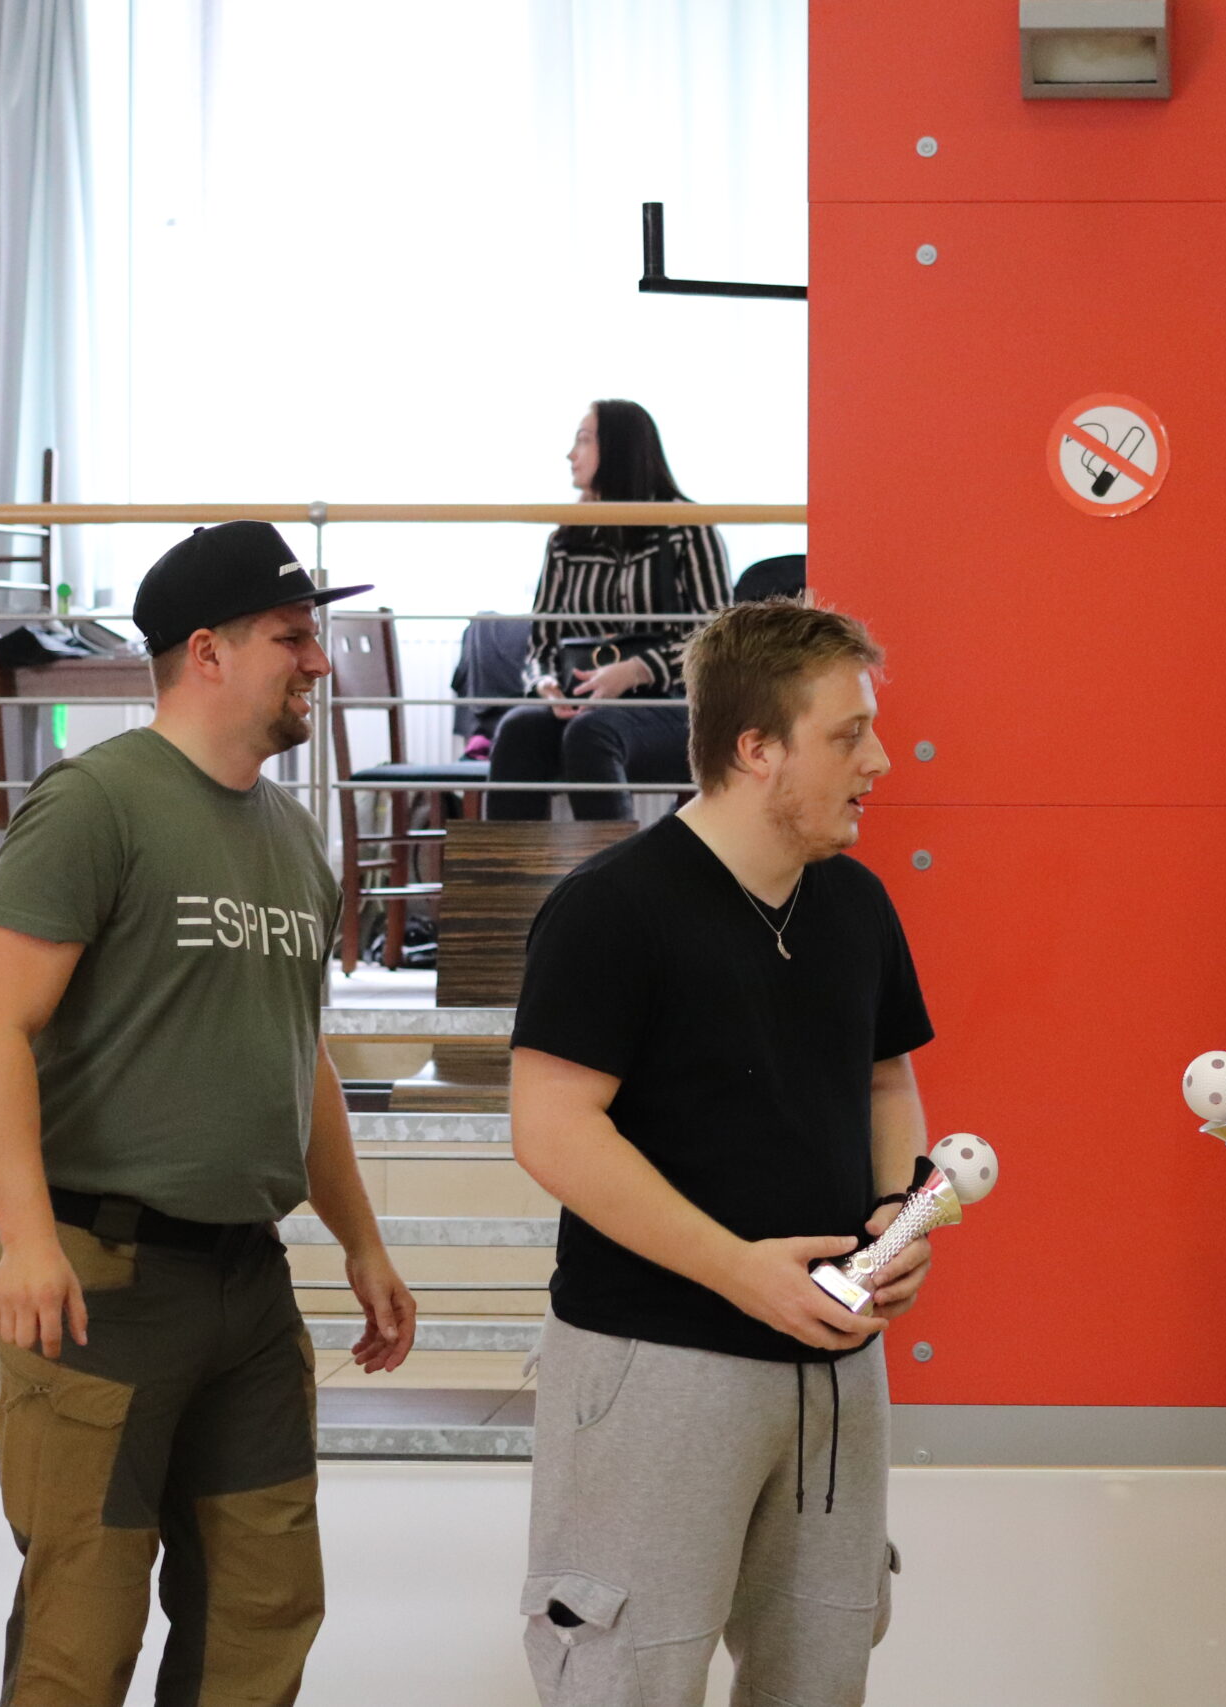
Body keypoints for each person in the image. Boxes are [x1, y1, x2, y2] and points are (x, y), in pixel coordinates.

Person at [0, 520, 418, 1706]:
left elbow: (299, 1059)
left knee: (262, 1619)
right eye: (291, 637)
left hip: (248, 1290)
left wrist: (361, 1240)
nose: (317, 661)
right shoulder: (95, 804)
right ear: (206, 652)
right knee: (79, 1636)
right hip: (102, 1286)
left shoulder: (293, 838)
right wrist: (26, 1239)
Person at [509, 599, 934, 1705]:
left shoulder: (857, 902)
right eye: (848, 736)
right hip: (655, 1363)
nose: (880, 762)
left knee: (822, 1671)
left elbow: (886, 1080)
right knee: (628, 1678)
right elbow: (551, 1128)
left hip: (835, 1368)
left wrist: (899, 1211)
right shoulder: (611, 909)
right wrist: (739, 1270)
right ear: (757, 749)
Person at [489, 399, 732, 820]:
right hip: (585, 703)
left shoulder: (689, 528)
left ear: (619, 448)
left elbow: (718, 639)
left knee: (591, 734)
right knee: (517, 729)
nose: (570, 454)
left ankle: (611, 866)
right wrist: (546, 685)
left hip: (672, 706)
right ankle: (512, 866)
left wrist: (637, 670)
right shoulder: (565, 539)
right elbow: (541, 643)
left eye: (583, 440)